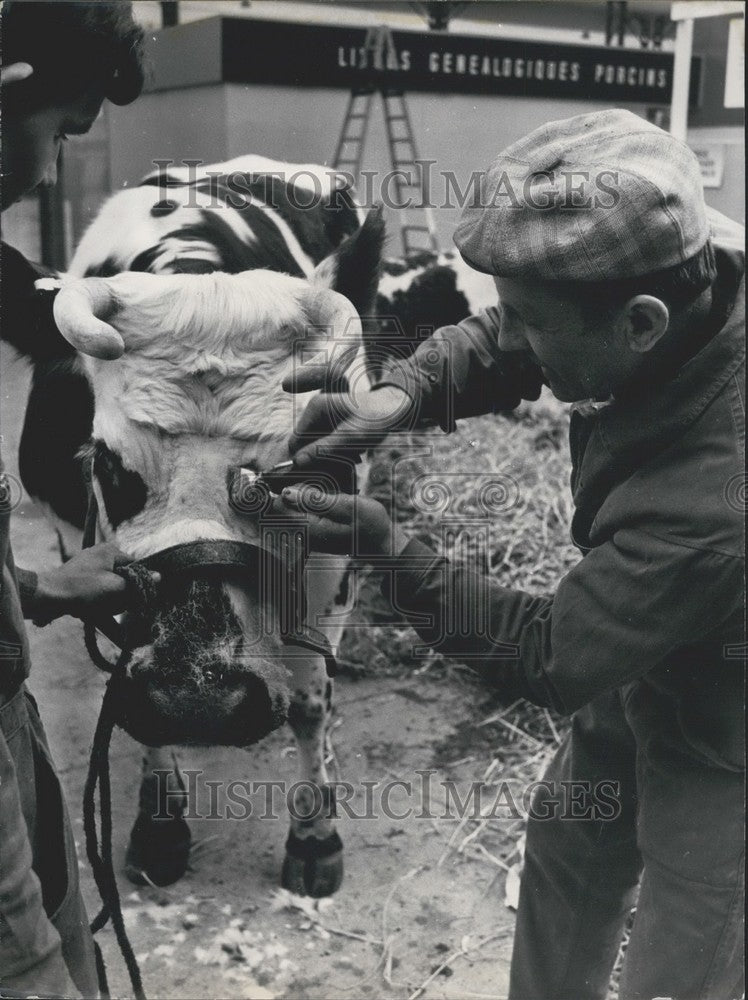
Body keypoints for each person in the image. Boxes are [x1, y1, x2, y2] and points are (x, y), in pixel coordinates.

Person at [266, 110, 745, 1000]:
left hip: (731, 715)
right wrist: (399, 388)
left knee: (691, 950)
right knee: (570, 850)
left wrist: (390, 553)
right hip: (647, 630)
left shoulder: (715, 497)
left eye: (531, 320)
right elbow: (501, 340)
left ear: (641, 326)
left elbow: (547, 653)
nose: (511, 334)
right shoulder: (676, 249)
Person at [1, 4, 145, 994]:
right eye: (61, 129)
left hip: (12, 705)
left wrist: (49, 589)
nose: (54, 167)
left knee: (67, 929)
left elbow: (45, 305)